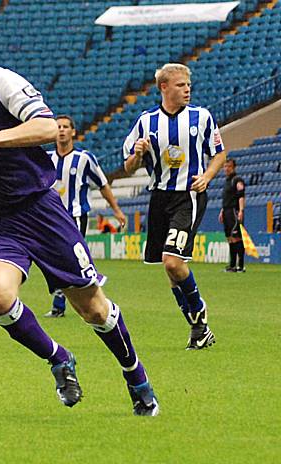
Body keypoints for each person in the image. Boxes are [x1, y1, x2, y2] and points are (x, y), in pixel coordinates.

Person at [0, 26, 158, 416]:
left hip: (40, 212)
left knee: (94, 311)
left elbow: (49, 128)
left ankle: (136, 377)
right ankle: (59, 358)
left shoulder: (1, 84)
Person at [123, 63, 226, 351]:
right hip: (159, 198)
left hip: (187, 195)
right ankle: (199, 330)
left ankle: (200, 314)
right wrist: (137, 154)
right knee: (170, 272)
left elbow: (219, 153)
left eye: (188, 85)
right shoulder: (146, 122)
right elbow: (128, 165)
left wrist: (206, 176)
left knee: (172, 261)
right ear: (164, 87)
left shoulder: (201, 117)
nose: (187, 89)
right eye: (181, 85)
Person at [45, 114, 127, 318]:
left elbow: (102, 185)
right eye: (58, 127)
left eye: (65, 126)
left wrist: (116, 210)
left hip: (76, 216)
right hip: (52, 217)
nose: (62, 130)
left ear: (73, 132)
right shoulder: (47, 159)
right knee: (55, 257)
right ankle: (80, 289)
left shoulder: (84, 158)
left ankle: (70, 298)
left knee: (70, 256)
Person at [219, 158, 246, 272]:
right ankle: (232, 265)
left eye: (229, 166)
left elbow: (241, 196)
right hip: (226, 211)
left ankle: (240, 265)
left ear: (234, 167)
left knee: (236, 238)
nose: (226, 169)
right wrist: (222, 211)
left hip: (234, 211)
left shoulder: (237, 180)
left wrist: (241, 210)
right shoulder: (226, 181)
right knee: (230, 238)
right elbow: (227, 198)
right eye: (225, 166)